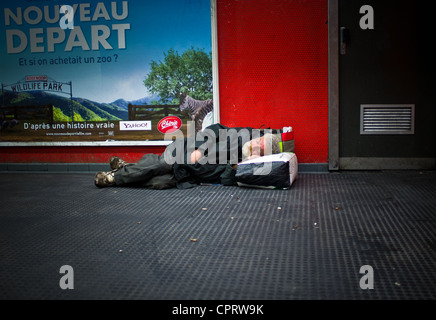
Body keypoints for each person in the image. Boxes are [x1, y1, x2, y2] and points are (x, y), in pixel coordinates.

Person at [94, 123, 281, 189]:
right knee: (162, 166)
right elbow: (214, 129)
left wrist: (236, 166)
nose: (255, 145)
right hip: (186, 151)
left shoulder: (243, 167)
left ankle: (127, 167)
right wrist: (200, 149)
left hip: (186, 176)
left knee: (158, 182)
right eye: (258, 141)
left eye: (259, 149)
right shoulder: (238, 135)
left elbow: (225, 181)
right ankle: (113, 178)